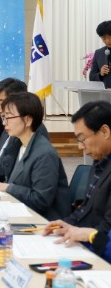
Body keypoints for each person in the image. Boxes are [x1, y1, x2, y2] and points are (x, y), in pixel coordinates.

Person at [0, 92, 70, 220]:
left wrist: (8, 188)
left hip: (43, 220)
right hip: (21, 210)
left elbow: (41, 200)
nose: (4, 123)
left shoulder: (44, 153)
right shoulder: (17, 144)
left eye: (8, 117)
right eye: (3, 117)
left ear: (28, 120)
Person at [44, 101, 111, 253]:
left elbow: (107, 228)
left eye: (82, 138)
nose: (80, 146)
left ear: (105, 132)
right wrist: (66, 224)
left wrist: (85, 235)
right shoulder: (100, 161)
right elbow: (86, 210)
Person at [88, 20, 111, 88]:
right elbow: (91, 77)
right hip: (105, 93)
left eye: (109, 37)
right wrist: (100, 74)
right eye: (103, 39)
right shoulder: (98, 53)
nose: (107, 41)